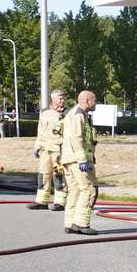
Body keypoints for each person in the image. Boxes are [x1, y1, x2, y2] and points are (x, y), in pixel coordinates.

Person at [61, 90, 100, 235]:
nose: (96, 103)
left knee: (74, 191)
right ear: (87, 101)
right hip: (78, 160)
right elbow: (76, 138)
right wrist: (82, 159)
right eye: (94, 100)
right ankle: (82, 223)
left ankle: (70, 223)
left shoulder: (73, 113)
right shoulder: (79, 115)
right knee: (88, 189)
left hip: (69, 159)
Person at [28, 90, 68, 211]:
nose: (62, 100)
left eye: (63, 98)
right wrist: (37, 146)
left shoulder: (67, 113)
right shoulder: (45, 112)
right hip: (45, 149)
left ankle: (60, 202)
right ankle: (41, 201)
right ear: (53, 99)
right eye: (60, 98)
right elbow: (41, 131)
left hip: (59, 150)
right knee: (43, 175)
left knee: (59, 175)